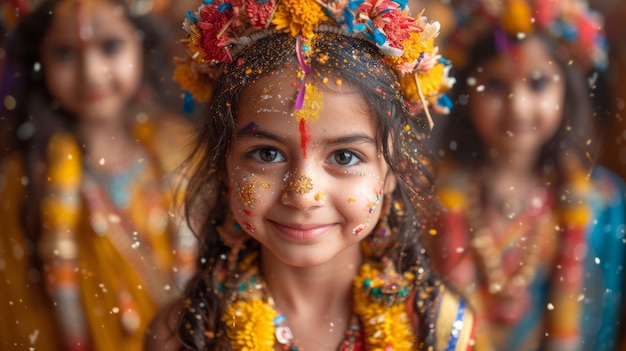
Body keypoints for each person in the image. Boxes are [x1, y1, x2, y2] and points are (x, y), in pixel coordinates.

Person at [144, 0, 473, 350]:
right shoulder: (184, 335)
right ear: (224, 163)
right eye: (267, 154)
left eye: (344, 157)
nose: (303, 194)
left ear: (391, 168)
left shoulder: (436, 328)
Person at [0, 0, 197, 350]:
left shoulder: (183, 147)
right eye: (64, 53)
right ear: (39, 61)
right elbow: (19, 312)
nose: (90, 72)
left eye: (110, 46)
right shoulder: (27, 177)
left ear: (142, 44)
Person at [429, 1, 626, 350]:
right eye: (493, 84)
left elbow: (603, 324)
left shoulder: (604, 202)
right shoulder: (430, 198)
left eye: (537, 83)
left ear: (567, 89)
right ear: (464, 92)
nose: (517, 105)